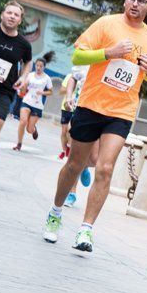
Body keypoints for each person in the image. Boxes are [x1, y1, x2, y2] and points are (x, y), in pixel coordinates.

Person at [42, 0, 147, 251]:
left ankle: (86, 230)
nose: (134, 4)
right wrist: (108, 53)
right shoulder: (106, 24)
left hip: (121, 112)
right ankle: (55, 212)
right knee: (74, 165)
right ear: (124, 1)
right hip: (91, 105)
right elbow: (77, 57)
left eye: (141, 1)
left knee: (105, 168)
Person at [0, 1, 32, 161]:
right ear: (2, 14)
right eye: (9, 13)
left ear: (20, 20)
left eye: (16, 14)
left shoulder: (24, 44)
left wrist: (24, 77)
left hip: (2, 91)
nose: (12, 16)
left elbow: (28, 62)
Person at [58, 65, 92, 207]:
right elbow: (73, 78)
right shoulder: (85, 64)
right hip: (79, 109)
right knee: (75, 154)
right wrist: (69, 97)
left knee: (93, 157)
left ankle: (85, 166)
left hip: (101, 113)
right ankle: (72, 193)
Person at [13, 58, 52, 151]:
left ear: (44, 67)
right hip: (27, 101)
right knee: (23, 122)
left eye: (41, 66)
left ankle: (34, 130)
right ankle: (19, 144)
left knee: (29, 129)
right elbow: (23, 88)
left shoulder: (47, 78)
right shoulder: (30, 75)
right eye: (37, 65)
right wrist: (21, 88)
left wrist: (42, 93)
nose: (38, 68)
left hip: (37, 105)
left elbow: (50, 92)